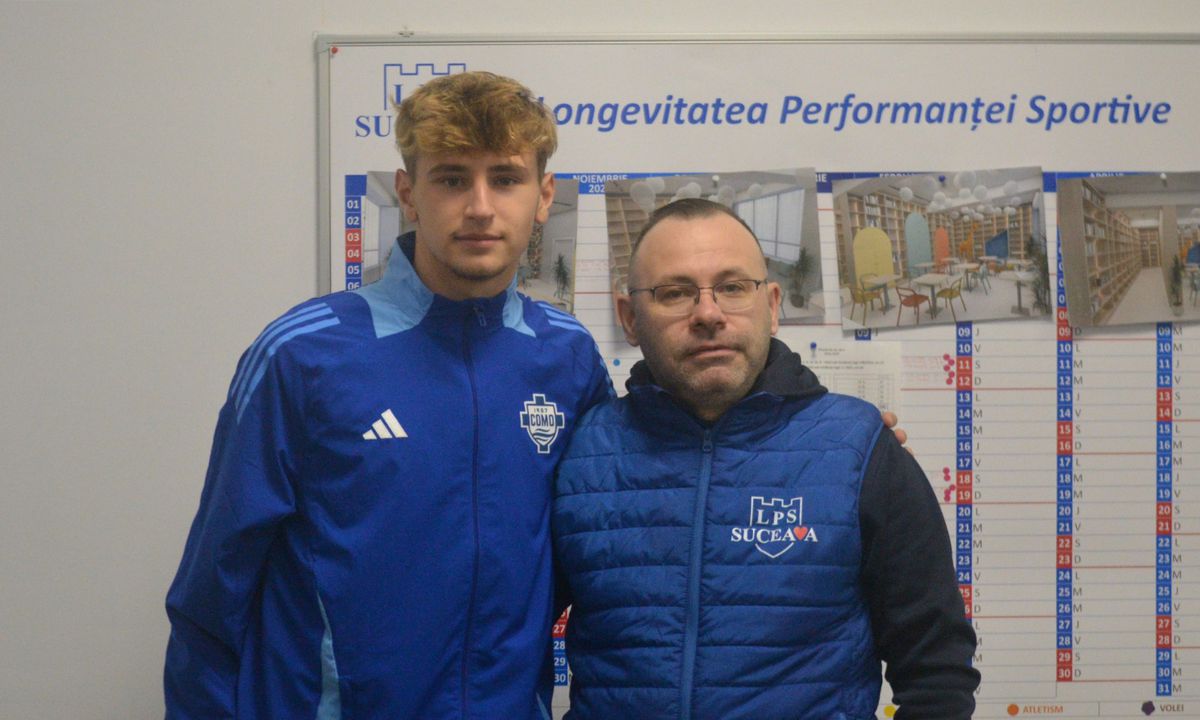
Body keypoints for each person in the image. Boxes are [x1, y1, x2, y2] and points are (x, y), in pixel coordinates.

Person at [163, 71, 612, 719]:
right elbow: (212, 594)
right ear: (408, 193)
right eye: (451, 179)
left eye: (505, 179)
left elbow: (590, 558)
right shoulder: (302, 354)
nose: (480, 206)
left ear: (543, 196)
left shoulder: (569, 358)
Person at [553, 198, 979, 720]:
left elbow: (937, 668)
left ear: (772, 306)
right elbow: (502, 629)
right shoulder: (581, 456)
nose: (708, 314)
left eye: (733, 287)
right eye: (675, 293)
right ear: (630, 319)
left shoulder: (860, 448)